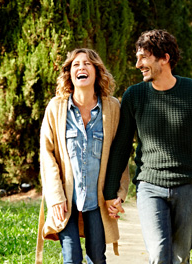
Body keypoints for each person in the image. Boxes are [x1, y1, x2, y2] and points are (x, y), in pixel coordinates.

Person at [103, 29, 192, 264]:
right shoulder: (134, 95)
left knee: (181, 255)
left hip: (187, 186)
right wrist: (111, 191)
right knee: (159, 254)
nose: (138, 64)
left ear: (164, 58)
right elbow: (122, 146)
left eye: (143, 57)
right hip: (149, 186)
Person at [36, 48, 130, 264]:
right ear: (69, 73)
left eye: (87, 64)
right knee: (71, 257)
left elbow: (120, 154)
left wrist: (119, 194)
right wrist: (56, 198)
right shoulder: (56, 108)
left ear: (96, 72)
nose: (81, 67)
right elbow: (47, 155)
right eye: (76, 65)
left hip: (97, 201)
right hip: (66, 200)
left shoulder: (112, 107)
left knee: (97, 257)